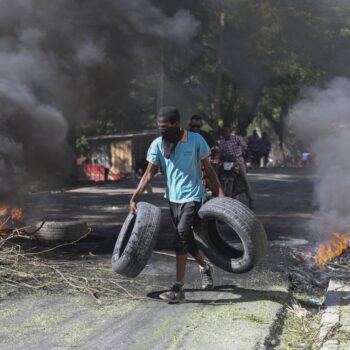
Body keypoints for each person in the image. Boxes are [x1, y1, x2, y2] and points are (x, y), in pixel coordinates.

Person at [130, 106, 224, 304]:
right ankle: (205, 268)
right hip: (172, 198)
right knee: (186, 240)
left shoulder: (196, 140)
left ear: (176, 124)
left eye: (165, 126)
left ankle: (178, 287)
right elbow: (149, 173)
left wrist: (219, 193)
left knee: (180, 236)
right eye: (159, 127)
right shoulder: (157, 144)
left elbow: (208, 169)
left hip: (193, 196)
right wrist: (135, 196)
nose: (162, 130)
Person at [218, 126, 254, 209]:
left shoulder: (237, 138)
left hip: (238, 161)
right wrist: (217, 159)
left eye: (226, 131)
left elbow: (245, 147)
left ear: (229, 131)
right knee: (220, 177)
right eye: (223, 132)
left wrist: (246, 158)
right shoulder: (222, 142)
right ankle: (222, 198)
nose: (224, 133)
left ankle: (250, 199)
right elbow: (219, 152)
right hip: (227, 163)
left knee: (245, 179)